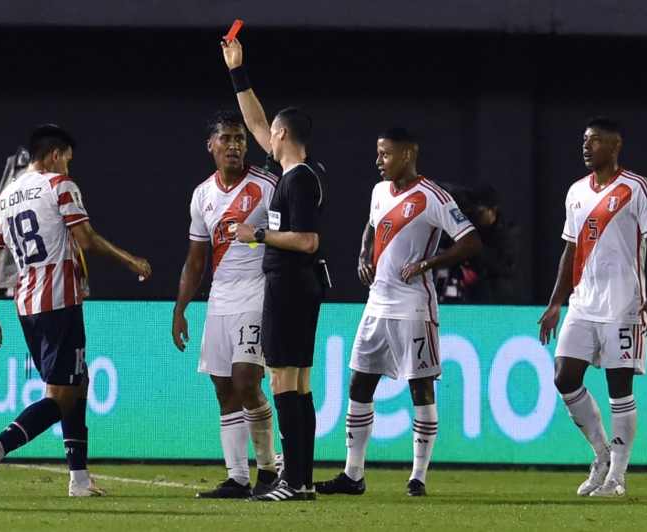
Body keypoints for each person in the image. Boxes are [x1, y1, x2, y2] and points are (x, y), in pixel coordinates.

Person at [0, 124, 152, 498]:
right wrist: (130, 260)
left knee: (77, 382)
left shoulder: (4, 198)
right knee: (62, 396)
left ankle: (79, 479)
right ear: (54, 155)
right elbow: (86, 238)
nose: (69, 166)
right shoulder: (59, 186)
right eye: (67, 158)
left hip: (27, 305)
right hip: (60, 301)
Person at [315, 127, 481, 497]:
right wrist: (362, 255)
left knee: (419, 386)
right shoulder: (378, 192)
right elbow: (371, 225)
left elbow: (471, 241)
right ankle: (353, 474)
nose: (378, 161)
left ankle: (418, 477)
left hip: (413, 308)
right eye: (378, 153)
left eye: (385, 154)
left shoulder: (433, 196)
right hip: (377, 304)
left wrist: (429, 263)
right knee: (360, 382)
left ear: (408, 154)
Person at [538, 117, 647, 497]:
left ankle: (617, 477)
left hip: (624, 304)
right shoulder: (576, 191)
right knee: (564, 376)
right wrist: (556, 302)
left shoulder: (638, 188)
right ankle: (601, 454)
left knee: (619, 387)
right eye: (584, 139)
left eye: (594, 140)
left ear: (615, 145)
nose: (586, 146)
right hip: (583, 302)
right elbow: (571, 249)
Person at [222, 37, 326, 502]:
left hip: (291, 285)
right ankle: (300, 481)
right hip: (297, 287)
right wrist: (238, 72)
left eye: (273, 133)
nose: (266, 137)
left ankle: (293, 479)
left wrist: (256, 234)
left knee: (285, 380)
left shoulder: (299, 179)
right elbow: (256, 121)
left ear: (284, 136)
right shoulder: (295, 173)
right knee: (298, 383)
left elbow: (307, 241)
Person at [172, 110, 279, 498]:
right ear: (211, 146)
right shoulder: (202, 194)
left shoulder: (268, 186)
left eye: (240, 139)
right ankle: (237, 477)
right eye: (227, 139)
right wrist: (180, 309)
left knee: (247, 382)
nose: (234, 145)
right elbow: (196, 258)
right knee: (223, 389)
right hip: (219, 300)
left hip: (257, 294)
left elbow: (289, 239)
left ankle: (270, 469)